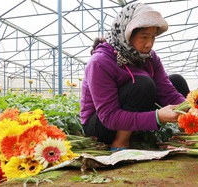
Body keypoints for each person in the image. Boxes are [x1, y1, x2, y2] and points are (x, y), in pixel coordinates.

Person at [80, 2, 189, 151]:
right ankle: (120, 142)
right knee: (143, 84)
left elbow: (168, 93)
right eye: (144, 37)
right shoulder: (100, 62)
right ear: (127, 35)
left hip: (131, 116)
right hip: (102, 125)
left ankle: (189, 132)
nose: (149, 44)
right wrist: (157, 117)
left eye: (153, 37)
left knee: (177, 81)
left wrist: (196, 109)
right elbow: (109, 117)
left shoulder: (150, 58)